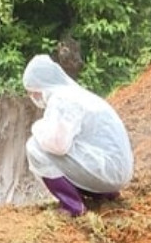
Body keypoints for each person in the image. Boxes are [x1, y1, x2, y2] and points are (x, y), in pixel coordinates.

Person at [23, 54, 133, 216]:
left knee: (34, 147)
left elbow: (57, 145)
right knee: (66, 147)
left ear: (40, 88)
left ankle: (72, 206)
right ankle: (104, 195)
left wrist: (36, 128)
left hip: (108, 172)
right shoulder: (78, 95)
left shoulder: (62, 100)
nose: (34, 98)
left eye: (33, 93)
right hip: (115, 171)